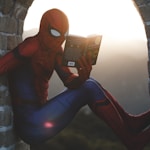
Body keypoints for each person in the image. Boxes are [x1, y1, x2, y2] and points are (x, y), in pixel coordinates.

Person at [0, 8, 150, 150]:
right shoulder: (30, 46)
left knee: (89, 83)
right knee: (89, 87)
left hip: (42, 115)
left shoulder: (56, 49)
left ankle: (130, 122)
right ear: (43, 28)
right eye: (55, 33)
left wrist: (82, 76)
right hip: (30, 124)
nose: (60, 40)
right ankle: (131, 141)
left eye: (64, 35)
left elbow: (69, 80)